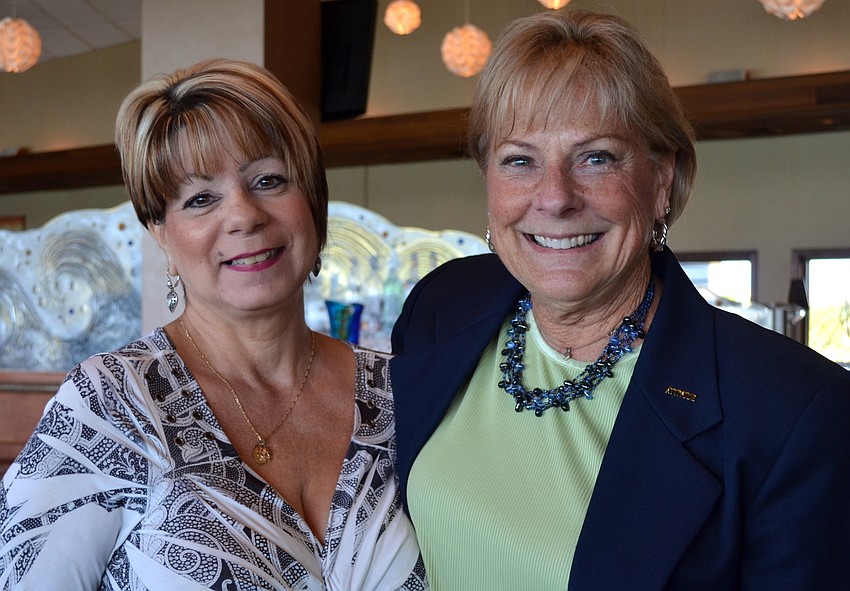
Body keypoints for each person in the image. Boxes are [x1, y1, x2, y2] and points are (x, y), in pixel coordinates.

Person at [390, 9, 850, 591]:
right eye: (520, 160)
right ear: (488, 179)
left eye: (597, 157)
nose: (554, 198)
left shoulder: (791, 411)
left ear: (662, 180)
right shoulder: (441, 306)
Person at [0, 59, 427, 590]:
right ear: (161, 232)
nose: (244, 215)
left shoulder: (404, 393)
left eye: (269, 180)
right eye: (201, 199)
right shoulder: (109, 405)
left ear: (313, 205)